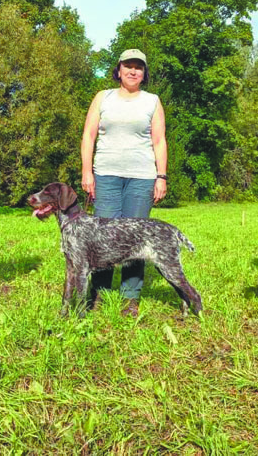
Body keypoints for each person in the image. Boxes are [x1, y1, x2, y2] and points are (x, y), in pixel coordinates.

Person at [81, 49, 168, 317]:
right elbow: (88, 135)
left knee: (135, 240)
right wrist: (87, 172)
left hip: (141, 177)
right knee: (103, 238)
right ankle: (99, 294)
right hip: (106, 175)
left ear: (144, 73)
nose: (132, 71)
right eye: (127, 66)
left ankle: (131, 298)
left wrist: (161, 176)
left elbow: (159, 141)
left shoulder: (152, 101)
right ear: (118, 70)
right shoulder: (102, 97)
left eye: (138, 67)